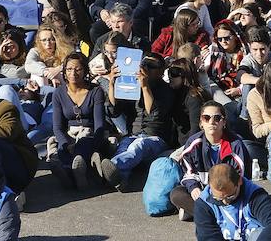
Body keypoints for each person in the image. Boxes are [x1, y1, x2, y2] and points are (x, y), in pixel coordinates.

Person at [95, 53, 174, 191]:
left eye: (152, 66)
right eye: (144, 65)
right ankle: (120, 180)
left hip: (156, 139)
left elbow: (154, 114)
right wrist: (113, 84)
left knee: (139, 145)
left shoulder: (166, 90)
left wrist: (144, 87)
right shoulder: (133, 86)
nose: (146, 69)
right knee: (124, 147)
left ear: (162, 71)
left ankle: (109, 168)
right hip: (133, 134)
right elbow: (115, 111)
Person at [172, 101, 251, 222]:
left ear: (224, 122)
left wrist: (225, 195)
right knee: (177, 194)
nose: (211, 122)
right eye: (206, 117)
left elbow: (241, 179)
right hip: (203, 191)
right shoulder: (193, 143)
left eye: (217, 118)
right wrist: (194, 188)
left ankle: (200, 214)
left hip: (228, 194)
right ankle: (216, 216)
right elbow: (187, 172)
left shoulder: (236, 145)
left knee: (249, 197)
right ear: (201, 123)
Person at [48, 52, 106, 190]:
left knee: (83, 145)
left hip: (89, 133)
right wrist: (66, 143)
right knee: (61, 148)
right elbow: (57, 127)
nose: (73, 73)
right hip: (70, 134)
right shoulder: (58, 93)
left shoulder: (96, 91)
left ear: (85, 70)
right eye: (69, 69)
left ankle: (75, 170)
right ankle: (72, 175)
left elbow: (100, 125)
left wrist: (95, 143)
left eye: (78, 69)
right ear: (64, 71)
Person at [194, 163, 271, 241]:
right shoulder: (203, 204)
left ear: (239, 181)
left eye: (230, 196)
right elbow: (207, 237)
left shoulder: (255, 195)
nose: (225, 202)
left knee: (260, 233)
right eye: (218, 198)